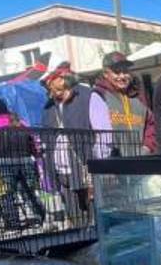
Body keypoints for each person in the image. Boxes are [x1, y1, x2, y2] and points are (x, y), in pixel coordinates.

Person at [39, 63, 109, 216]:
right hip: (61, 174)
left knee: (97, 217)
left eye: (49, 82)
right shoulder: (48, 106)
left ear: (63, 79)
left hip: (87, 171)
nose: (48, 88)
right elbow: (45, 141)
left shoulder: (89, 96)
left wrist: (98, 167)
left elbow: (104, 135)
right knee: (75, 219)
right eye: (46, 86)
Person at [0, 97, 45, 229]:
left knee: (6, 194)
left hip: (2, 163)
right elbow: (33, 142)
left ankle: (13, 222)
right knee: (28, 191)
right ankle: (40, 215)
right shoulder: (21, 123)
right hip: (25, 161)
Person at [93, 51, 156, 155]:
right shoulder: (99, 96)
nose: (122, 76)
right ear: (105, 74)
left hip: (142, 159)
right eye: (117, 72)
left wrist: (147, 147)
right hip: (115, 160)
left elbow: (150, 124)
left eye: (125, 71)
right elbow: (103, 137)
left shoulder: (138, 95)